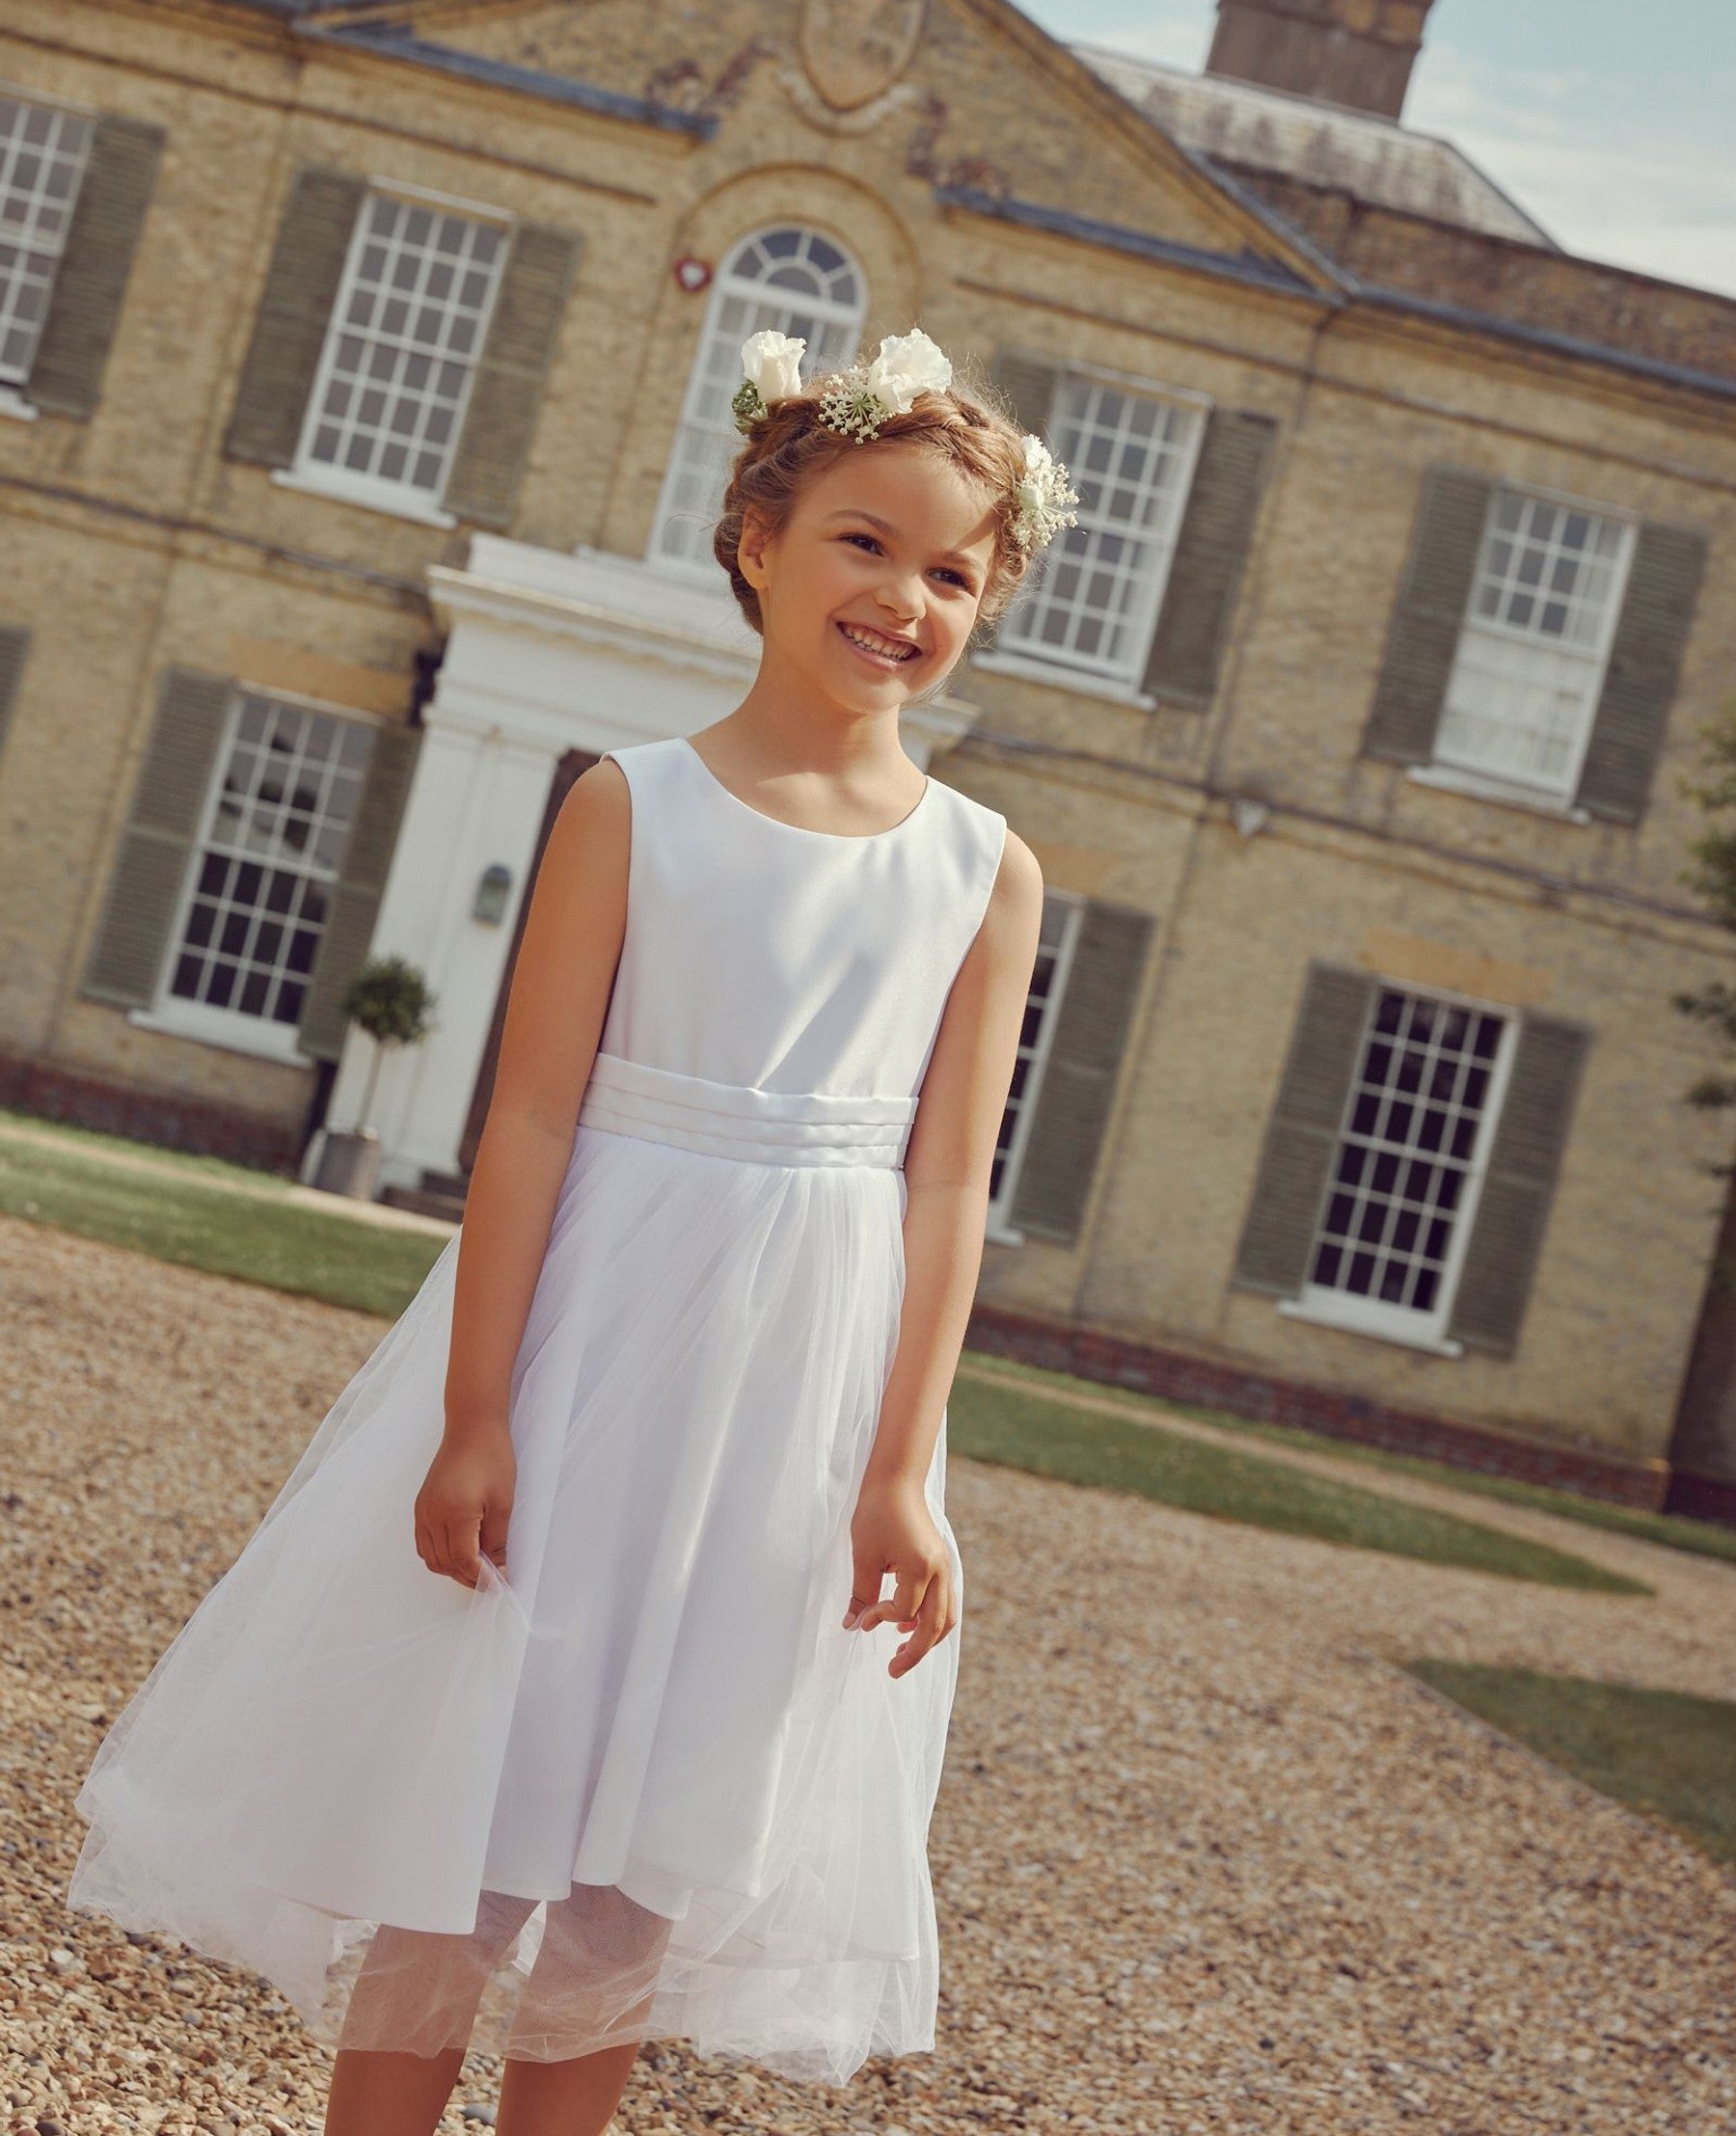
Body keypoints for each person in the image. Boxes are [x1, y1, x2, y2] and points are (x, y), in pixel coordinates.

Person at [66, 324, 1078, 2136]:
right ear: (760, 540)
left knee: (652, 1848)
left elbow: (946, 1182)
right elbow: (528, 1118)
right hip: (595, 1342)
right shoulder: (634, 805)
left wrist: (903, 1468)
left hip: (799, 1398)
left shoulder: (980, 867)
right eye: (864, 540)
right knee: (473, 1807)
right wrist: (475, 1411)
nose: (903, 596)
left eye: (951, 571)